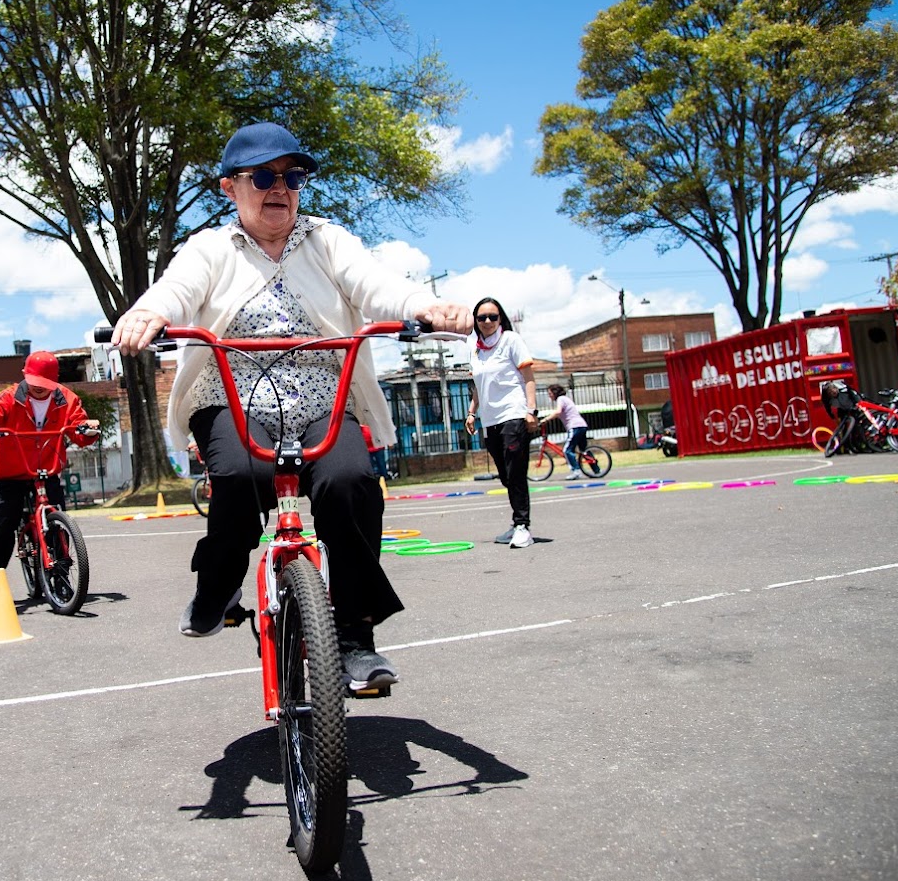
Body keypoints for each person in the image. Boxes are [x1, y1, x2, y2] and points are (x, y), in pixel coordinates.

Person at [110, 121, 472, 690]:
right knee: (241, 472)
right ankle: (218, 583)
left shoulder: (328, 240)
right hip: (231, 393)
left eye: (292, 176)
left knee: (352, 482)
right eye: (262, 176)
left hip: (325, 395)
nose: (279, 187)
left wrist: (429, 308)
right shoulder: (209, 248)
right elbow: (176, 290)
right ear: (230, 188)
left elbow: (378, 286)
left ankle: (355, 636)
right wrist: (146, 313)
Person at [0, 350, 100, 600]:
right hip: (10, 473)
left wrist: (88, 431)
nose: (40, 389)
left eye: (46, 384)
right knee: (3, 525)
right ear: (25, 376)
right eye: (35, 383)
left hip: (47, 470)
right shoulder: (10, 397)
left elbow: (79, 430)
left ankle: (60, 578)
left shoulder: (67, 400)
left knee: (57, 526)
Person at [463, 298, 538, 549]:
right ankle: (517, 522)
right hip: (490, 420)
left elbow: (528, 378)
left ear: (500, 318)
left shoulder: (511, 341)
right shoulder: (475, 349)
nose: (487, 322)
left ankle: (522, 526)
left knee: (515, 471)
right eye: (482, 317)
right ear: (476, 320)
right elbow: (478, 386)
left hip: (514, 413)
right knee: (506, 475)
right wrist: (472, 412)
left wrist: (531, 410)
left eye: (492, 317)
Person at [545, 384, 589, 478]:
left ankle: (576, 471)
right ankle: (596, 469)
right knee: (583, 450)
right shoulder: (565, 399)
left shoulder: (561, 399)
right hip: (581, 425)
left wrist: (546, 419)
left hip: (574, 426)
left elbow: (558, 412)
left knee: (567, 450)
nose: (549, 395)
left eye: (550, 393)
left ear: (555, 392)